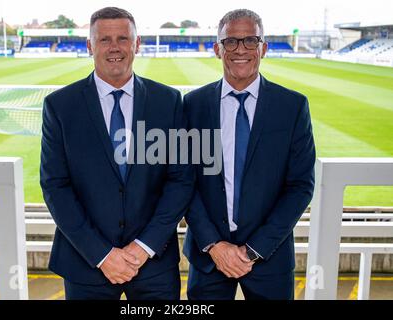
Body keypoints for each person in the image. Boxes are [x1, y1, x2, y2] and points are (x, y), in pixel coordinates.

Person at [40, 7, 193, 300]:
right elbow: (55, 186)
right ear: (89, 46)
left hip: (153, 264)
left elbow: (180, 181)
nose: (114, 47)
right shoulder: (60, 106)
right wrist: (102, 254)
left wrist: (143, 247)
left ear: (137, 44)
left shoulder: (168, 101)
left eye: (123, 38)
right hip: (87, 264)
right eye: (104, 39)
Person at [182, 9, 316, 300]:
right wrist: (214, 245)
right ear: (217, 49)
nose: (240, 49)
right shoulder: (192, 105)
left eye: (250, 41)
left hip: (271, 259)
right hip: (208, 258)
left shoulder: (291, 107)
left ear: (263, 48)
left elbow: (300, 186)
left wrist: (254, 249)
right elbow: (183, 182)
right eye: (231, 41)